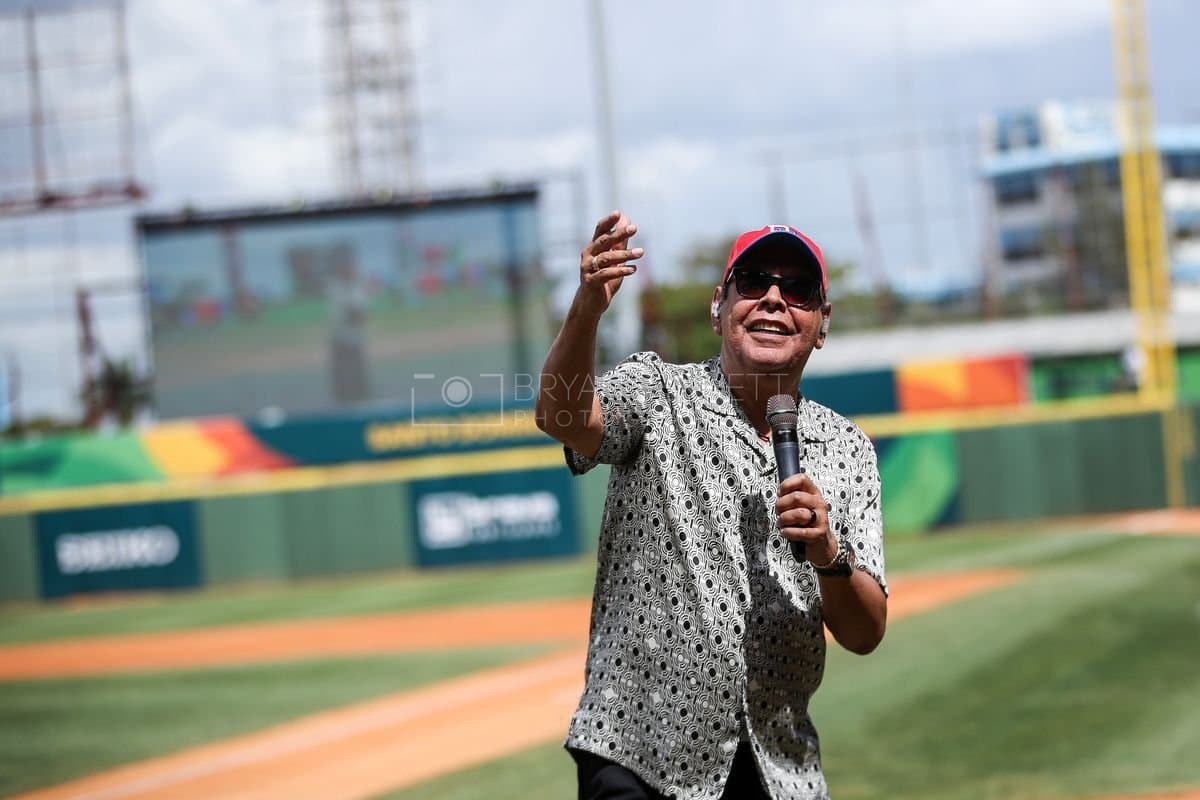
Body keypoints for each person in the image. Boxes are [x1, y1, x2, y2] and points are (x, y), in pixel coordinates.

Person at [536, 211, 888, 800]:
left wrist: (829, 553)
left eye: (798, 290)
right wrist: (587, 310)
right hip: (641, 753)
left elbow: (865, 631)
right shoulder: (657, 392)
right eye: (752, 282)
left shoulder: (846, 447)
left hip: (780, 769)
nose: (774, 300)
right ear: (718, 307)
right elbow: (563, 417)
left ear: (821, 324)